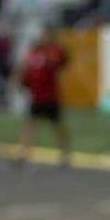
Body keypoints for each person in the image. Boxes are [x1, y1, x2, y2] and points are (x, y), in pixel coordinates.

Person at [16, 29, 71, 166]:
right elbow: (25, 71)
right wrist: (22, 82)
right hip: (37, 97)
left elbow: (63, 61)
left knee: (57, 126)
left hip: (51, 96)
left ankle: (65, 154)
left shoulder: (54, 52)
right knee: (31, 124)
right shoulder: (34, 53)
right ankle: (24, 153)